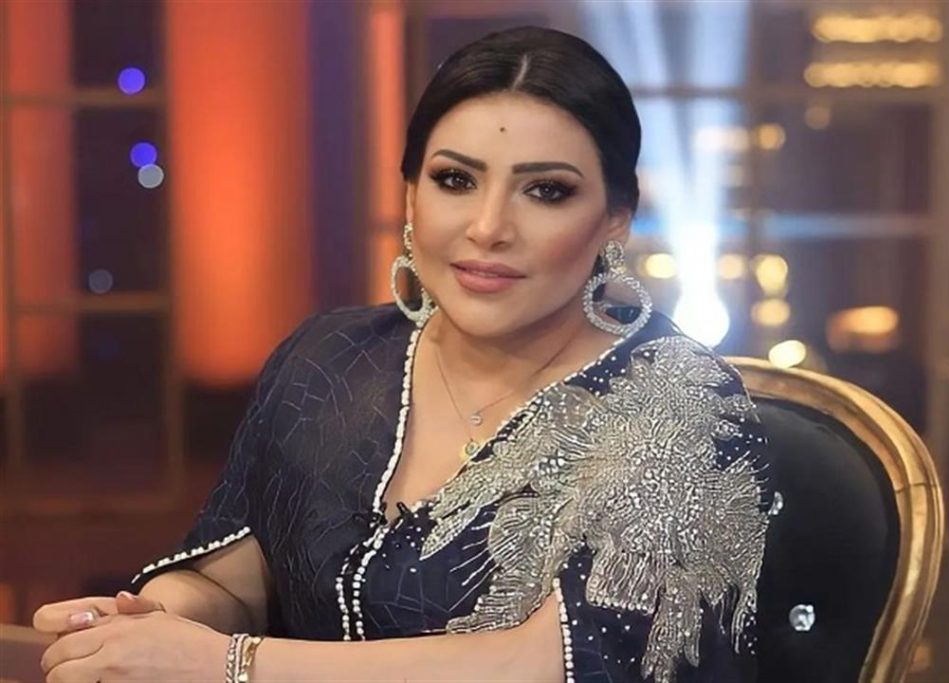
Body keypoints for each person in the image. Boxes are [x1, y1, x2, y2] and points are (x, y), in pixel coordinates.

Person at [33, 25, 771, 683]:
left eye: (546, 191)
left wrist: (230, 666)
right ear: (411, 195)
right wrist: (144, 626)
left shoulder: (683, 405)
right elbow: (232, 585)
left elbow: (552, 663)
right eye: (455, 180)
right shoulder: (329, 359)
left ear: (615, 219)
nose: (488, 227)